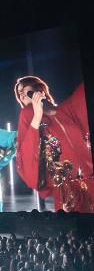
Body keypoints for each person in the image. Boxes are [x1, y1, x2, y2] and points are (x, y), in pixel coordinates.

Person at [14, 77, 94, 211]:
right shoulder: (27, 114)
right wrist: (37, 116)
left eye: (24, 89)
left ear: (38, 90)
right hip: (68, 193)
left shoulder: (67, 109)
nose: (21, 94)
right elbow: (25, 154)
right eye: (19, 93)